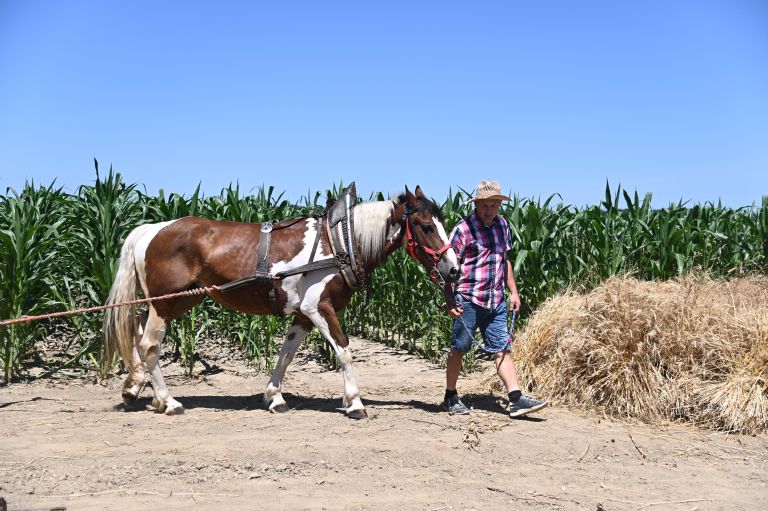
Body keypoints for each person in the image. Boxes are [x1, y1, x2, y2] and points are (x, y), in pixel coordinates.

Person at [442, 180, 549, 418]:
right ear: (476, 204)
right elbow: (448, 268)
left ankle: (516, 398)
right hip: (468, 299)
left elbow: (505, 260)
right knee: (459, 348)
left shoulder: (502, 225)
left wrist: (514, 291)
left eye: (493, 205)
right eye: (484, 205)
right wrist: (450, 301)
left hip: (496, 300)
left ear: (499, 205)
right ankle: (450, 395)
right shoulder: (463, 230)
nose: (489, 209)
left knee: (503, 348)